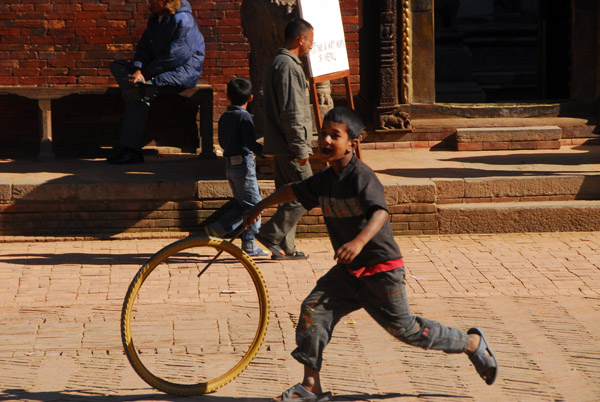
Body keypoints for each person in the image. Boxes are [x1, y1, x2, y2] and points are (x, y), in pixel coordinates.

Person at [244, 107, 498, 402]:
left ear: (353, 142)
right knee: (313, 310)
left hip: (381, 271)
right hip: (347, 274)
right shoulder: (324, 179)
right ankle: (310, 386)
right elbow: (292, 190)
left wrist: (359, 242)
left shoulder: (361, 175)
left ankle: (471, 343)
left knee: (407, 330)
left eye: (334, 135)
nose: (325, 140)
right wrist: (258, 207)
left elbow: (380, 212)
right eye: (323, 133)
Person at [107, 0, 205, 164]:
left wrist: (145, 74)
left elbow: (174, 58)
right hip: (154, 71)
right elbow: (144, 48)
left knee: (137, 94)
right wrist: (139, 69)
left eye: (153, 0)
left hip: (179, 73)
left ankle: (131, 149)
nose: (149, 4)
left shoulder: (183, 20)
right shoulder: (155, 19)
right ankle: (138, 88)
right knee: (117, 66)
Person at [256, 18, 314, 260]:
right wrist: (300, 148)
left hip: (280, 143)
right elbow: (292, 112)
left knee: (287, 194)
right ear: (300, 39)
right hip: (290, 145)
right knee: (307, 191)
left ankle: (285, 247)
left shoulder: (278, 62)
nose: (312, 45)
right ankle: (271, 234)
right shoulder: (289, 66)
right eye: (311, 40)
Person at [203, 77, 268, 257]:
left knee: (244, 205)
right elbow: (251, 143)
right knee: (256, 206)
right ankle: (249, 244)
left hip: (230, 164)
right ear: (251, 98)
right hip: (244, 165)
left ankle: (218, 229)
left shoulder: (225, 116)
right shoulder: (244, 116)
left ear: (228, 97)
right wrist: (267, 153)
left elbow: (223, 142)